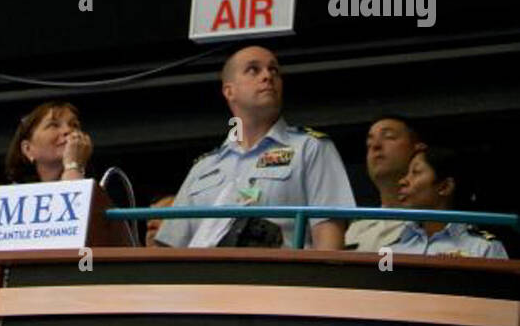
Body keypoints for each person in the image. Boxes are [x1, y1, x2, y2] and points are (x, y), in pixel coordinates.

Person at [154, 46, 355, 250]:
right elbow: (169, 248)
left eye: (274, 70)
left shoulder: (311, 148)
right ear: (229, 91)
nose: (267, 76)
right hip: (208, 279)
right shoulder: (203, 168)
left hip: (280, 279)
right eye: (253, 70)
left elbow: (329, 244)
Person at [391, 146, 508, 258]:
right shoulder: (390, 249)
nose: (402, 181)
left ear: (445, 187)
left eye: (415, 172)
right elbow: (381, 275)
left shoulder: (484, 248)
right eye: (407, 173)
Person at [345, 116, 425, 252]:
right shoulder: (354, 231)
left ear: (418, 150)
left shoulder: (439, 228)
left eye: (389, 137)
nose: (375, 146)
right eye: (369, 144)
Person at [5, 101, 93, 183]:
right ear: (28, 149)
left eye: (74, 125)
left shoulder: (101, 187)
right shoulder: (13, 195)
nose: (68, 130)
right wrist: (73, 166)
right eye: (53, 125)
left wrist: (75, 167)